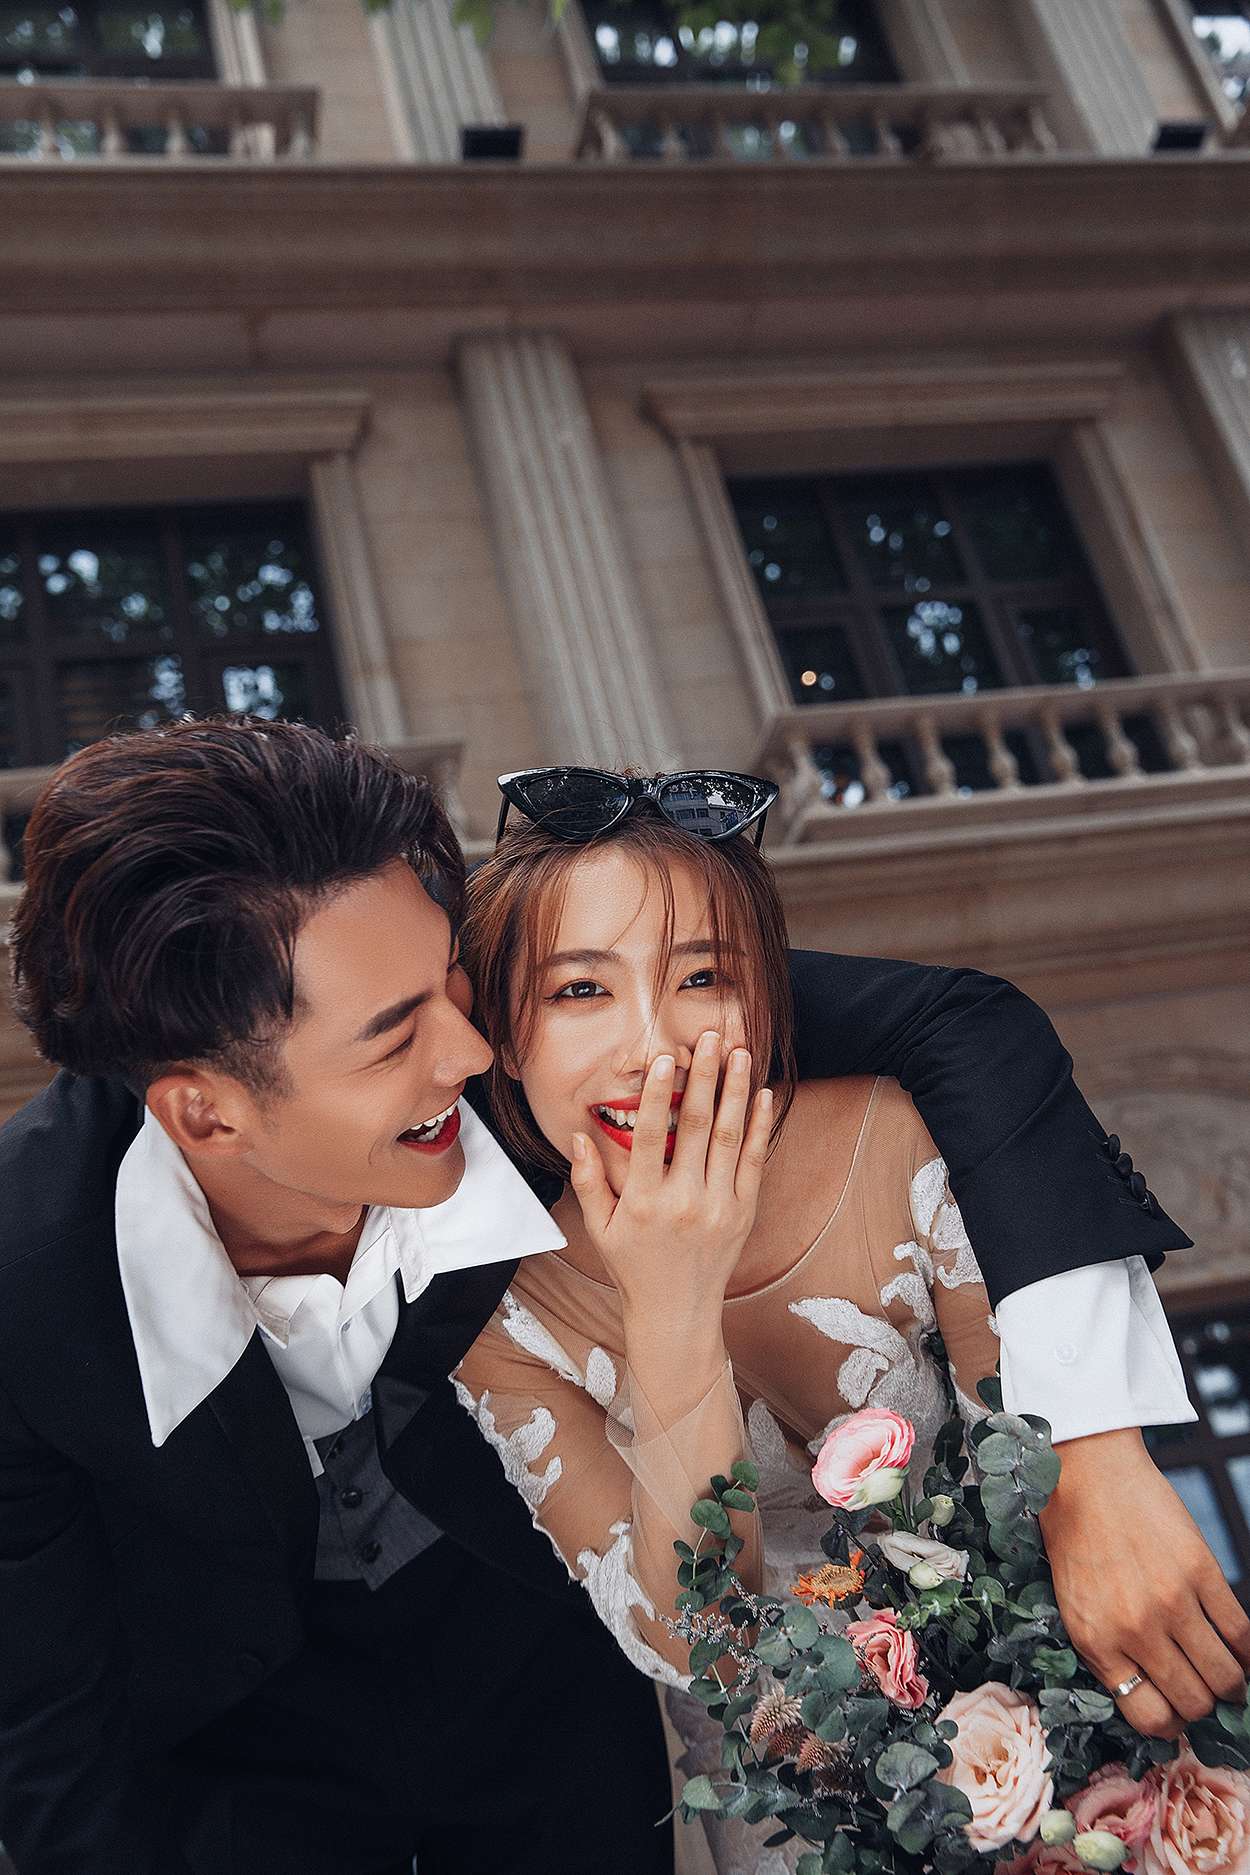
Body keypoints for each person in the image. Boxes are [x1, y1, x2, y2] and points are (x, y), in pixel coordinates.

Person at [0, 727, 1211, 1875]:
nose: (469, 1052)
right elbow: (45, 1725)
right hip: (228, 1762)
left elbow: (963, 1025)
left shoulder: (545, 1054)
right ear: (204, 1113)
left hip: (553, 1714)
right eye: (394, 1037)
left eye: (454, 984)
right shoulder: (27, 1284)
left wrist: (1096, 1453)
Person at [453, 765, 1250, 1835]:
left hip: (1069, 1721)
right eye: (578, 991)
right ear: (507, 1036)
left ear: (765, 994)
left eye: (702, 977)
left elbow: (1045, 1494)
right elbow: (700, 1644)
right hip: (799, 1814)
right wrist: (671, 1301)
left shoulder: (900, 1136)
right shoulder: (501, 1317)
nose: (653, 1048)